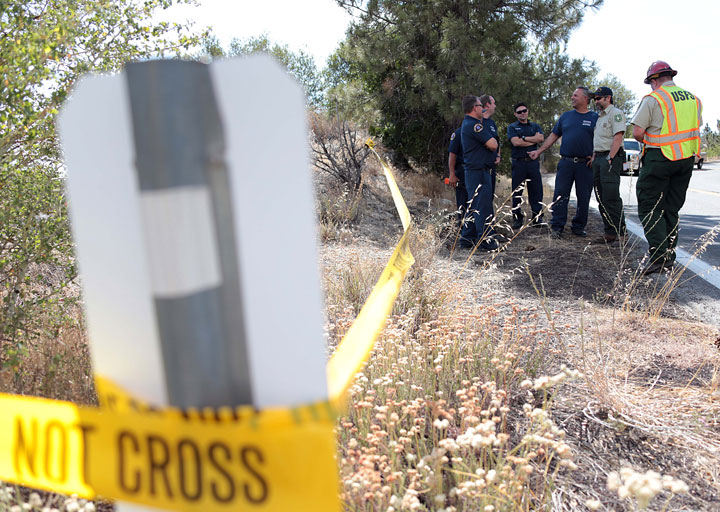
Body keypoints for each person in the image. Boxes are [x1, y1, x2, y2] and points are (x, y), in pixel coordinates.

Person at [631, 61, 702, 275]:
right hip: (686, 159)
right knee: (671, 207)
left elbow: (637, 133)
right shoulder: (693, 99)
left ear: (654, 80)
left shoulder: (654, 99)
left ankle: (660, 258)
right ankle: (669, 255)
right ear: (670, 76)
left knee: (649, 205)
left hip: (659, 157)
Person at [529, 87, 598, 238]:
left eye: (575, 95)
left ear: (585, 99)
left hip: (585, 165)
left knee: (584, 196)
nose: (572, 97)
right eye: (572, 95)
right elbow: (553, 136)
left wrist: (595, 156)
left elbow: (601, 140)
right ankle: (557, 227)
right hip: (566, 163)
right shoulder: (566, 117)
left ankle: (578, 227)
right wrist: (539, 151)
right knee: (560, 195)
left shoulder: (595, 117)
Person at [459, 94, 499, 251]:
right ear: (474, 108)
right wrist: (491, 144)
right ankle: (486, 242)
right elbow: (493, 144)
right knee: (483, 207)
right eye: (480, 105)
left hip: (476, 172)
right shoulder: (475, 125)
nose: (482, 108)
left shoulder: (471, 123)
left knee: (474, 206)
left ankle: (467, 239)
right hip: (478, 172)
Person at [590, 86, 627, 244]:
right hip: (598, 158)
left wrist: (610, 158)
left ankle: (621, 233)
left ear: (608, 98)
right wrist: (593, 157)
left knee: (611, 196)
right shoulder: (599, 117)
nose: (596, 101)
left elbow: (618, 137)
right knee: (601, 196)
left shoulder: (615, 114)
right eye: (595, 99)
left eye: (599, 98)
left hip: (609, 158)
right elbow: (598, 140)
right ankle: (610, 232)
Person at [507, 102, 545, 229]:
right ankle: (517, 218)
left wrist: (523, 138)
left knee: (536, 191)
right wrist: (531, 139)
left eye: (524, 110)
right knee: (517, 191)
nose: (522, 113)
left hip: (533, 163)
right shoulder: (512, 127)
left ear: (528, 111)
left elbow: (540, 139)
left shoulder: (535, 126)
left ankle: (537, 217)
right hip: (519, 163)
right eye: (519, 112)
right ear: (515, 114)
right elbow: (515, 142)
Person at [478, 94, 501, 197]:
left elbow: (497, 140)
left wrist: (498, 155)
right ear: (487, 105)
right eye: (494, 103)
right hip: (480, 166)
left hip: (491, 166)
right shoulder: (478, 122)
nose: (495, 106)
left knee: (490, 195)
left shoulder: (492, 123)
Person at [447, 126, 468, 227]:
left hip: (476, 171)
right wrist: (452, 174)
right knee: (462, 201)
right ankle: (462, 228)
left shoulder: (479, 130)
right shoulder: (459, 133)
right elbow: (452, 155)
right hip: (462, 171)